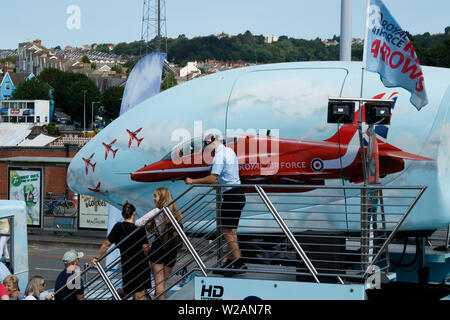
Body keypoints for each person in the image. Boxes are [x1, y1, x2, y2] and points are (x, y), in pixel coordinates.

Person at [185, 134, 247, 275]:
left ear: (211, 144)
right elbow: (226, 176)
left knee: (226, 230)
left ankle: (239, 262)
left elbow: (213, 178)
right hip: (238, 193)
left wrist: (192, 181)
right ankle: (230, 261)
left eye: (207, 149)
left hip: (231, 196)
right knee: (231, 231)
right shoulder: (229, 151)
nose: (208, 153)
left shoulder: (219, 155)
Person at [91, 202, 151, 300]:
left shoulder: (118, 227)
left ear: (123, 214)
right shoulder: (139, 227)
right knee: (139, 295)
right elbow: (146, 248)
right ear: (134, 213)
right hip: (141, 264)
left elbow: (107, 244)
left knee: (130, 290)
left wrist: (96, 257)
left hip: (127, 265)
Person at [135, 187, 183, 300]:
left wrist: (151, 227)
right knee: (163, 285)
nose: (153, 198)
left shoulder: (157, 211)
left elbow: (138, 222)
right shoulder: (175, 212)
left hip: (159, 246)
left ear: (161, 198)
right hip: (172, 248)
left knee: (159, 284)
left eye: (155, 196)